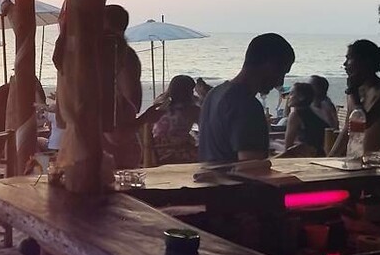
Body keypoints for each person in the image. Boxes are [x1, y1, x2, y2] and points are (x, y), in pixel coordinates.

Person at [198, 33, 296, 163]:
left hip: (210, 180)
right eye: (281, 72)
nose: (281, 82)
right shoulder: (247, 106)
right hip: (235, 183)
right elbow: (251, 169)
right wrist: (291, 156)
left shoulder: (214, 94)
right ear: (269, 65)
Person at [329, 40, 380, 156]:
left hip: (379, 159)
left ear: (365, 61)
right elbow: (348, 128)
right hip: (356, 157)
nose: (345, 64)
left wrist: (353, 93)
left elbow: (364, 124)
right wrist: (330, 157)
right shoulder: (354, 91)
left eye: (349, 58)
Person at [100, 4, 143, 169]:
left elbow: (130, 101)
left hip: (116, 148)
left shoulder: (121, 56)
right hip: (116, 146)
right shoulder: (125, 55)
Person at [138, 75, 200, 164]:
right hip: (175, 151)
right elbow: (206, 130)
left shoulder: (160, 104)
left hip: (155, 151)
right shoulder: (192, 110)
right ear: (189, 92)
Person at [283, 83, 328, 157]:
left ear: (301, 97)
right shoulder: (313, 112)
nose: (288, 97)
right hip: (322, 153)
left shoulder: (295, 115)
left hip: (310, 156)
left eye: (291, 94)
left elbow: (287, 147)